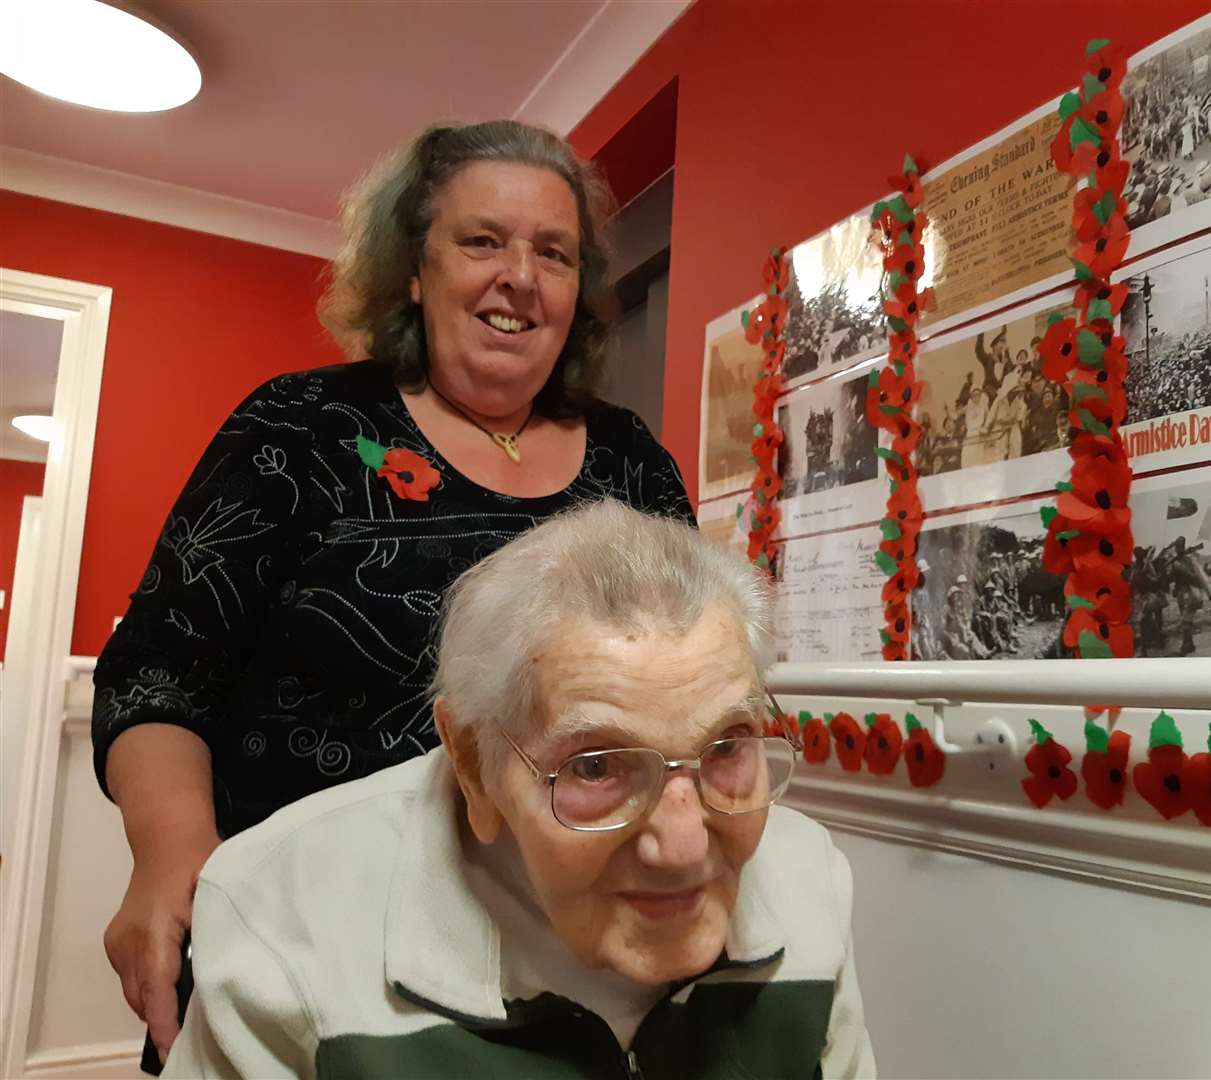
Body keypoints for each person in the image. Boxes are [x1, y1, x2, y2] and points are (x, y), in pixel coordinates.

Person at [92, 120, 694, 1067]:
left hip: (569, 964)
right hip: (310, 941)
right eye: (483, 240)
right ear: (415, 267)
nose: (520, 277)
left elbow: (685, 697)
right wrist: (172, 854)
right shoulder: (301, 428)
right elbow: (156, 673)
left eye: (554, 252)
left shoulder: (633, 462)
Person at [161, 501, 874, 1078]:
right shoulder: (282, 917)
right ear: (473, 762)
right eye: (596, 766)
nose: (685, 848)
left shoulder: (809, 881)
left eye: (726, 747)